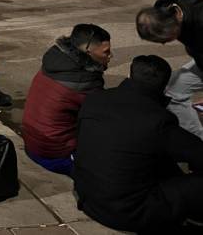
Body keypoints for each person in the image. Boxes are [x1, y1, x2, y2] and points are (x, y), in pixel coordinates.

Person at [74, 55, 203, 232]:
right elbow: (197, 152)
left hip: (89, 198)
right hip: (127, 212)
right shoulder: (158, 120)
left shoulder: (96, 99)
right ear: (164, 87)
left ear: (131, 75)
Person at [22, 24, 111, 176]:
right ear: (88, 51)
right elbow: (102, 116)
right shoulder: (84, 81)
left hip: (32, 143)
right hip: (54, 154)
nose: (110, 56)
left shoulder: (56, 62)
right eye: (106, 52)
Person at [136, 0, 203, 139]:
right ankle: (198, 141)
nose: (165, 43)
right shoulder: (165, 6)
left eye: (167, 38)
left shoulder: (200, 20)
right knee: (173, 92)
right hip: (200, 57)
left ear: (177, 19)